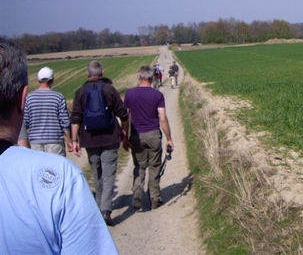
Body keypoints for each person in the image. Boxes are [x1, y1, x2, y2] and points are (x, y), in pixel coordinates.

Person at [0, 40, 118, 254]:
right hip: (53, 143)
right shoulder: (56, 97)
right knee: (43, 190)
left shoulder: (33, 99)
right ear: (21, 98)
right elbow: (65, 120)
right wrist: (70, 140)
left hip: (33, 142)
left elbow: (27, 123)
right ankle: (103, 206)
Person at [71, 60, 130, 226]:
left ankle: (99, 206)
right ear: (102, 72)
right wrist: (124, 131)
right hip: (110, 137)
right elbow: (122, 113)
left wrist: (74, 140)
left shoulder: (81, 91)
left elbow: (75, 117)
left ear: (87, 73)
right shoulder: (109, 89)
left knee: (96, 172)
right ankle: (105, 210)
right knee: (109, 173)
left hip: (89, 139)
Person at [124, 65, 174, 211]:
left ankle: (137, 196)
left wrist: (125, 136)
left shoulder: (129, 94)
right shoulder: (157, 95)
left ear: (139, 77)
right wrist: (169, 138)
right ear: (153, 78)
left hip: (136, 135)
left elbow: (125, 117)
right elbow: (163, 119)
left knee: (139, 166)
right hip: (153, 135)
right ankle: (155, 198)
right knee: (154, 167)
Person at [24, 67, 72, 156]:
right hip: (55, 140)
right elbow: (64, 121)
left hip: (35, 142)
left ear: (38, 80)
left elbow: (25, 122)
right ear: (52, 80)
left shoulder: (29, 98)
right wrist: (69, 140)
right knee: (55, 168)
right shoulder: (58, 97)